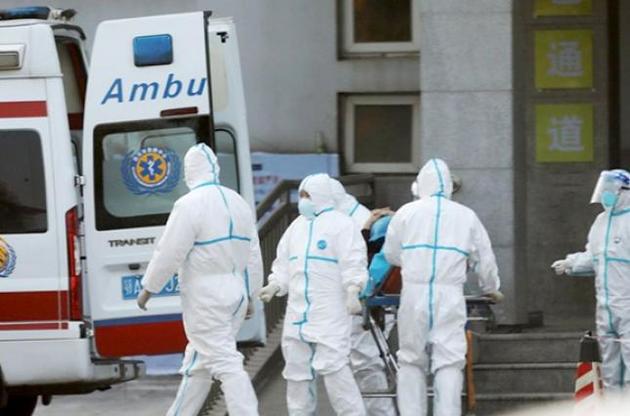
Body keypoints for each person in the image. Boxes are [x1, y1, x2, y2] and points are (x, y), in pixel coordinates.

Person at [136, 143, 262, 416]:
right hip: (236, 292)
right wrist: (251, 294)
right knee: (198, 364)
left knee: (226, 363)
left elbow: (170, 251)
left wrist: (149, 287)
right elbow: (253, 254)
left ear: (190, 171)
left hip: (207, 298)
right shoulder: (237, 202)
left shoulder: (189, 205)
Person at [383, 158, 502, 416]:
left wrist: (414, 261)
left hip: (414, 292)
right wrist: (490, 286)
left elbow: (391, 253)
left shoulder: (406, 212)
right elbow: (484, 258)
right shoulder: (466, 216)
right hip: (449, 294)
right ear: (449, 185)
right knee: (449, 361)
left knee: (411, 360)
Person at [258, 173, 368, 416]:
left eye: (307, 195)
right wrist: (275, 284)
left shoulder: (342, 225)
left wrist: (353, 289)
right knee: (297, 374)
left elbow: (354, 262)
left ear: (321, 196)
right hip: (297, 314)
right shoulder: (296, 227)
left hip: (329, 311)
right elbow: (284, 263)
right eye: (301, 195)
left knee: (335, 369)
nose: (303, 200)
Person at [552, 169, 630, 392]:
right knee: (610, 372)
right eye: (603, 189)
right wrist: (571, 263)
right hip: (605, 307)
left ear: (624, 191)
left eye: (609, 190)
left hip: (627, 304)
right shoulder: (600, 221)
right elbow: (595, 257)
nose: (605, 194)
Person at [330, 179, 396, 416]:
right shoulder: (359, 219)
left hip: (370, 303)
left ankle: (381, 412)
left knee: (366, 362)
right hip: (371, 302)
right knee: (365, 363)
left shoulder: (352, 223)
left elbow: (365, 262)